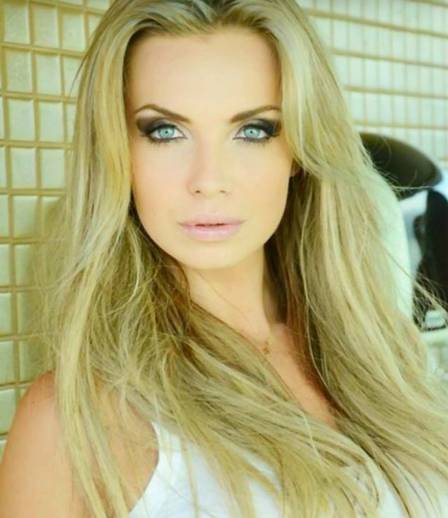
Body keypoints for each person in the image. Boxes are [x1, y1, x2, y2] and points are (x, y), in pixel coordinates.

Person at [1, 1, 447, 517]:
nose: (208, 180)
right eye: (164, 131)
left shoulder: (386, 351)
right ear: (117, 152)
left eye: (253, 130)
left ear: (299, 149)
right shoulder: (76, 422)